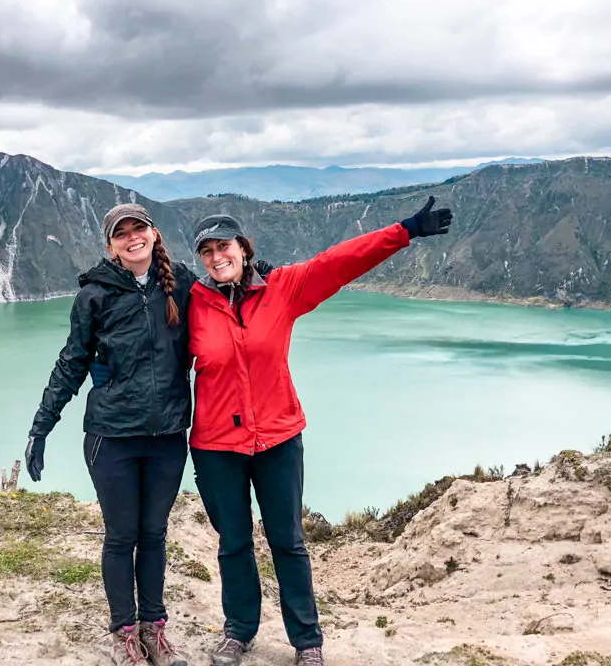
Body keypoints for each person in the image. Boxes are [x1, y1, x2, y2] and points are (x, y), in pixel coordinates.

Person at [186, 197, 453, 666]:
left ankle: (306, 641)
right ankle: (239, 631)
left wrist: (406, 229)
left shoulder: (283, 288)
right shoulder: (192, 302)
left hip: (278, 438)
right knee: (233, 542)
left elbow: (340, 262)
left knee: (288, 541)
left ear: (243, 248)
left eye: (223, 246)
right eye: (206, 250)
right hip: (215, 446)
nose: (215, 257)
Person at [24, 203, 195, 666]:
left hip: (166, 436)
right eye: (122, 233)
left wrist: (258, 269)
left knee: (155, 533)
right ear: (111, 246)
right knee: (122, 535)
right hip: (112, 437)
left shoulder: (181, 283)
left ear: (154, 234)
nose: (133, 237)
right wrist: (42, 427)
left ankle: (153, 629)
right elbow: (71, 364)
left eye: (139, 228)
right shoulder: (94, 297)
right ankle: (124, 632)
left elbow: (227, 303)